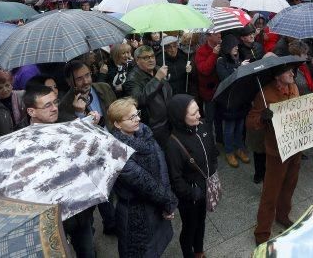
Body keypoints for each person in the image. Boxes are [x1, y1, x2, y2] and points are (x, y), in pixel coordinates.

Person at [23, 84, 96, 258]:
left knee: (88, 252)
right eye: (47, 105)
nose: (55, 108)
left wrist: (89, 128)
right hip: (53, 217)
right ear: (31, 112)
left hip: (80, 209)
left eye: (55, 102)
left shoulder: (65, 123)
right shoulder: (24, 142)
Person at [108, 97, 178, 258]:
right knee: (141, 251)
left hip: (156, 203)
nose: (138, 119)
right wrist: (168, 201)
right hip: (135, 213)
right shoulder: (116, 150)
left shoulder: (144, 133)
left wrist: (166, 199)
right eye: (131, 117)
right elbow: (144, 182)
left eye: (137, 114)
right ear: (118, 124)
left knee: (155, 247)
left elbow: (162, 167)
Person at [57, 60, 116, 235]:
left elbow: (114, 113)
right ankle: (106, 225)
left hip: (112, 146)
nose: (86, 81)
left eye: (87, 75)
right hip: (90, 157)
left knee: (114, 189)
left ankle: (112, 222)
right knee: (101, 192)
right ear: (70, 82)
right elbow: (73, 139)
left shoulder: (103, 88)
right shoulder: (64, 107)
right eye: (79, 79)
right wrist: (80, 114)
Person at [246, 64, 301, 245]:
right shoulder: (265, 94)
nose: (292, 73)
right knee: (271, 192)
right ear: (278, 76)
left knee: (290, 185)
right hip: (277, 152)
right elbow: (251, 121)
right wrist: (262, 117)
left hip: (295, 147)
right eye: (288, 71)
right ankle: (262, 232)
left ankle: (283, 216)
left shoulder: (294, 86)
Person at [164, 95, 218, 258]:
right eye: (193, 114)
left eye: (198, 111)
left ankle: (199, 252)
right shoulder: (173, 144)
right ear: (181, 117)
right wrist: (191, 193)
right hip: (190, 197)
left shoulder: (202, 127)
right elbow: (176, 178)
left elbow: (212, 150)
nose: (199, 116)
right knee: (190, 227)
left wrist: (213, 167)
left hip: (204, 189)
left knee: (201, 222)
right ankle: (188, 254)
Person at [124, 46, 172, 146]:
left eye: (152, 56)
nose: (151, 60)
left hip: (169, 122)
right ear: (137, 60)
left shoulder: (158, 69)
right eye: (146, 57)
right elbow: (138, 100)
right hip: (153, 128)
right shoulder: (132, 79)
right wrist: (157, 79)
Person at [215, 34, 249, 168]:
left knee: (240, 126)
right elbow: (225, 78)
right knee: (229, 128)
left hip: (240, 98)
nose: (236, 48)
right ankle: (229, 151)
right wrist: (240, 68)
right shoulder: (221, 61)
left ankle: (239, 148)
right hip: (228, 100)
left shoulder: (238, 58)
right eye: (233, 46)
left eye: (237, 45)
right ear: (227, 47)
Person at [195, 31, 222, 141]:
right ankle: (210, 143)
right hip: (209, 92)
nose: (220, 35)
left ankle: (221, 141)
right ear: (208, 36)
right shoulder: (201, 51)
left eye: (220, 33)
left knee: (220, 117)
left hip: (221, 89)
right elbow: (204, 70)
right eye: (216, 34)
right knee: (209, 119)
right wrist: (214, 54)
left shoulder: (222, 48)